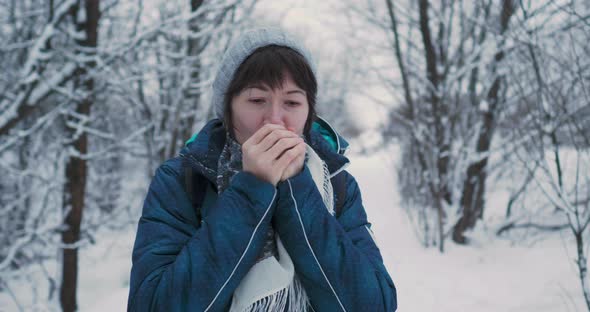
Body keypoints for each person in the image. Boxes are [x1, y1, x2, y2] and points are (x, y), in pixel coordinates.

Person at [127, 28, 397, 312]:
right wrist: (251, 188)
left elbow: (375, 305)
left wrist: (297, 188)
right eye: (257, 101)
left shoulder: (338, 183)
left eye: (292, 102)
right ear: (228, 109)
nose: (275, 121)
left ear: (308, 113)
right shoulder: (183, 180)